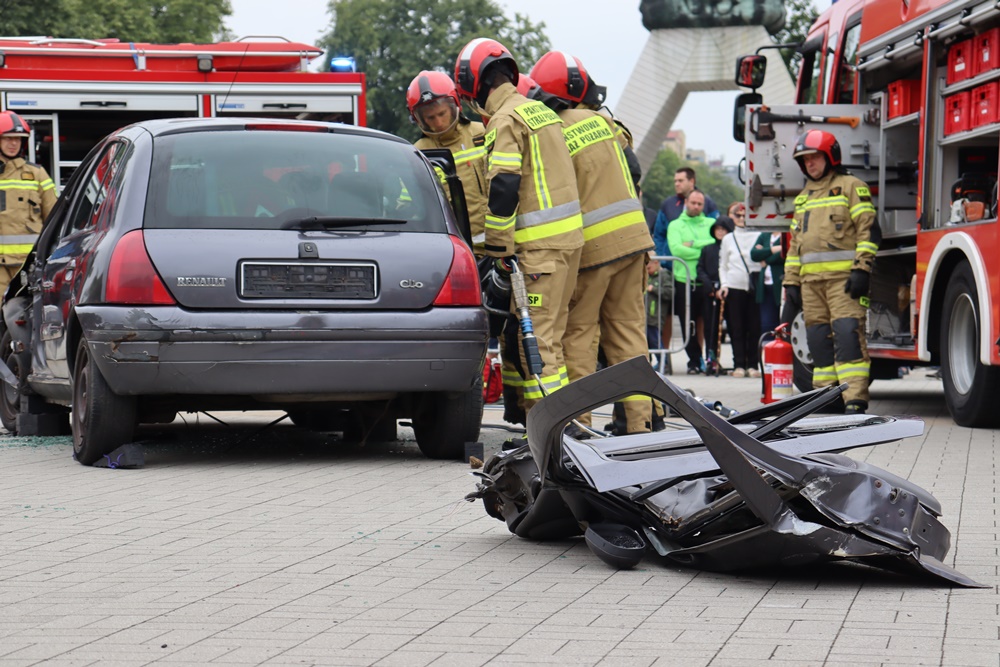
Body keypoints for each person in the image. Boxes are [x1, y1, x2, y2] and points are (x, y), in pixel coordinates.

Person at [454, 38, 583, 416]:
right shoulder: (541, 113)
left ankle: (551, 437)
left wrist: (498, 249)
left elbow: (505, 184)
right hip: (567, 247)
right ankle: (556, 428)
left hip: (537, 253)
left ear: (476, 85)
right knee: (554, 342)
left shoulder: (506, 120)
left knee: (538, 345)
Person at [529, 50, 655, 433]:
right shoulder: (605, 123)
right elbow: (633, 168)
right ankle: (642, 425)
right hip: (634, 240)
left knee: (579, 338)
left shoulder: (550, 131)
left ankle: (580, 427)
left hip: (592, 250)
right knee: (630, 334)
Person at [781, 129, 879, 414]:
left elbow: (868, 230)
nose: (810, 164)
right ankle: (825, 399)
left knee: (848, 336)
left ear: (830, 157)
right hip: (811, 286)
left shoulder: (851, 186)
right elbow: (795, 246)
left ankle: (855, 399)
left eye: (814, 157)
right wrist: (791, 283)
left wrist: (862, 269)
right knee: (817, 344)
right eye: (805, 160)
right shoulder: (804, 198)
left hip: (844, 283)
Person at [407, 70, 488, 253]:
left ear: (455, 104)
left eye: (442, 113)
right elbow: (410, 205)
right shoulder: (417, 153)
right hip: (453, 251)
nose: (439, 123)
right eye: (430, 118)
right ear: (417, 118)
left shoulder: (482, 133)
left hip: (496, 246)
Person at [0, 111, 56, 295]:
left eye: (18, 139)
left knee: (24, 318)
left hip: (28, 266)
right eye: (8, 138)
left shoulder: (37, 174)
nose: (13, 143)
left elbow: (54, 218)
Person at [666, 190, 715, 374]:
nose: (696, 206)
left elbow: (716, 244)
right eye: (693, 203)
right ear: (686, 202)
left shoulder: (711, 223)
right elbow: (677, 250)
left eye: (699, 204)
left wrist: (692, 243)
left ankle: (711, 360)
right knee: (688, 324)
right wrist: (704, 247)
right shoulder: (675, 225)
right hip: (683, 281)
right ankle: (694, 361)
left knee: (710, 324)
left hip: (707, 282)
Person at [718, 202, 762, 378]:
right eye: (738, 215)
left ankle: (753, 364)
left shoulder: (759, 234)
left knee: (754, 327)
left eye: (746, 215)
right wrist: (724, 284)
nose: (742, 219)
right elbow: (723, 265)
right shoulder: (728, 238)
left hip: (755, 285)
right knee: (737, 327)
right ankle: (738, 365)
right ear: (732, 217)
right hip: (734, 286)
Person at [652, 166, 719, 268]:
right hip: (672, 266)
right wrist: (663, 259)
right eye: (675, 181)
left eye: (680, 181)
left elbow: (717, 234)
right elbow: (658, 235)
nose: (676, 184)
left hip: (702, 267)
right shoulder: (667, 204)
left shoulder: (707, 204)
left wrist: (694, 245)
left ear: (691, 181)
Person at [696, 216, 733, 375]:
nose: (720, 232)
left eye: (723, 229)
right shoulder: (707, 249)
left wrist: (723, 286)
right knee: (710, 327)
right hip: (710, 292)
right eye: (717, 229)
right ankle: (711, 360)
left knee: (731, 327)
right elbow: (700, 269)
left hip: (727, 291)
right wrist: (709, 286)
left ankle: (738, 361)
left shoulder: (731, 248)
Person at [751, 229, 785, 335]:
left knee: (782, 321)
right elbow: (754, 254)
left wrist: (765, 257)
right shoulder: (764, 235)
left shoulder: (786, 234)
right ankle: (767, 349)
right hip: (765, 285)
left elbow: (784, 254)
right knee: (766, 324)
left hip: (781, 285)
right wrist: (773, 249)